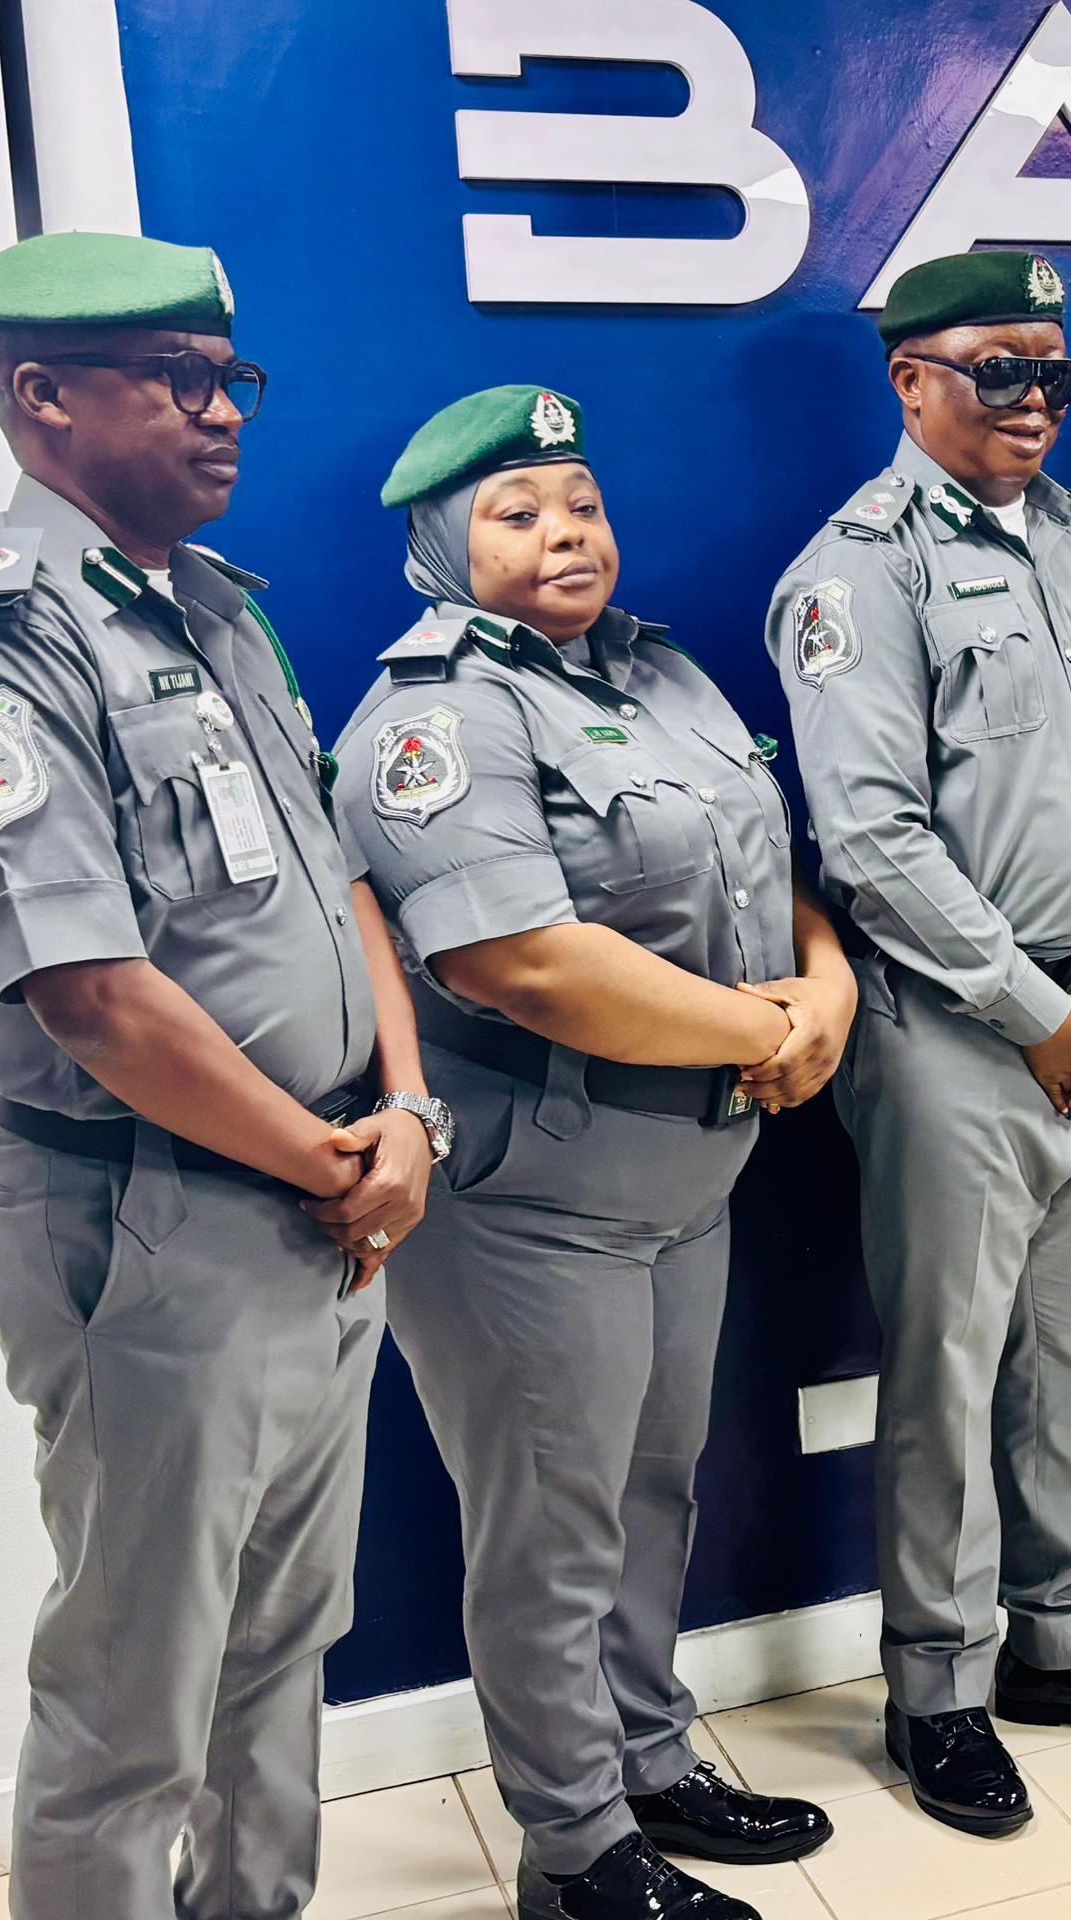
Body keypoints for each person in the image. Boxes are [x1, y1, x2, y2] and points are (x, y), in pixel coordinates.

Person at [0, 230, 438, 1919]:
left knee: (284, 1639)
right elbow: (96, 998)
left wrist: (403, 1116)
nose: (225, 413)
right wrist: (330, 1163)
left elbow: (341, 881)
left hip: (323, 1196)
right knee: (135, 1696)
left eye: (229, 379)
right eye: (179, 380)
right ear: (42, 396)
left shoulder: (215, 608)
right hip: (153, 1214)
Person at [334, 386, 845, 1920]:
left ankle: (648, 1761)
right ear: (442, 543)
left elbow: (773, 863)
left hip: (689, 1175)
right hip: (530, 1194)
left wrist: (824, 987)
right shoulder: (431, 719)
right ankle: (575, 1854)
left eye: (582, 504)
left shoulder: (660, 670)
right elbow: (521, 963)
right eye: (517, 512)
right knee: (550, 1534)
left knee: (651, 1492)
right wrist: (766, 1032)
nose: (566, 533)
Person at [768, 250, 1071, 1834]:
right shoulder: (856, 575)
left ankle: (1064, 1640)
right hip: (966, 1033)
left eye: (1054, 371)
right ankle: (940, 1689)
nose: (1034, 400)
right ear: (911, 381)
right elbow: (872, 842)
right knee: (951, 1377)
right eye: (997, 370)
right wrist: (1041, 1016)